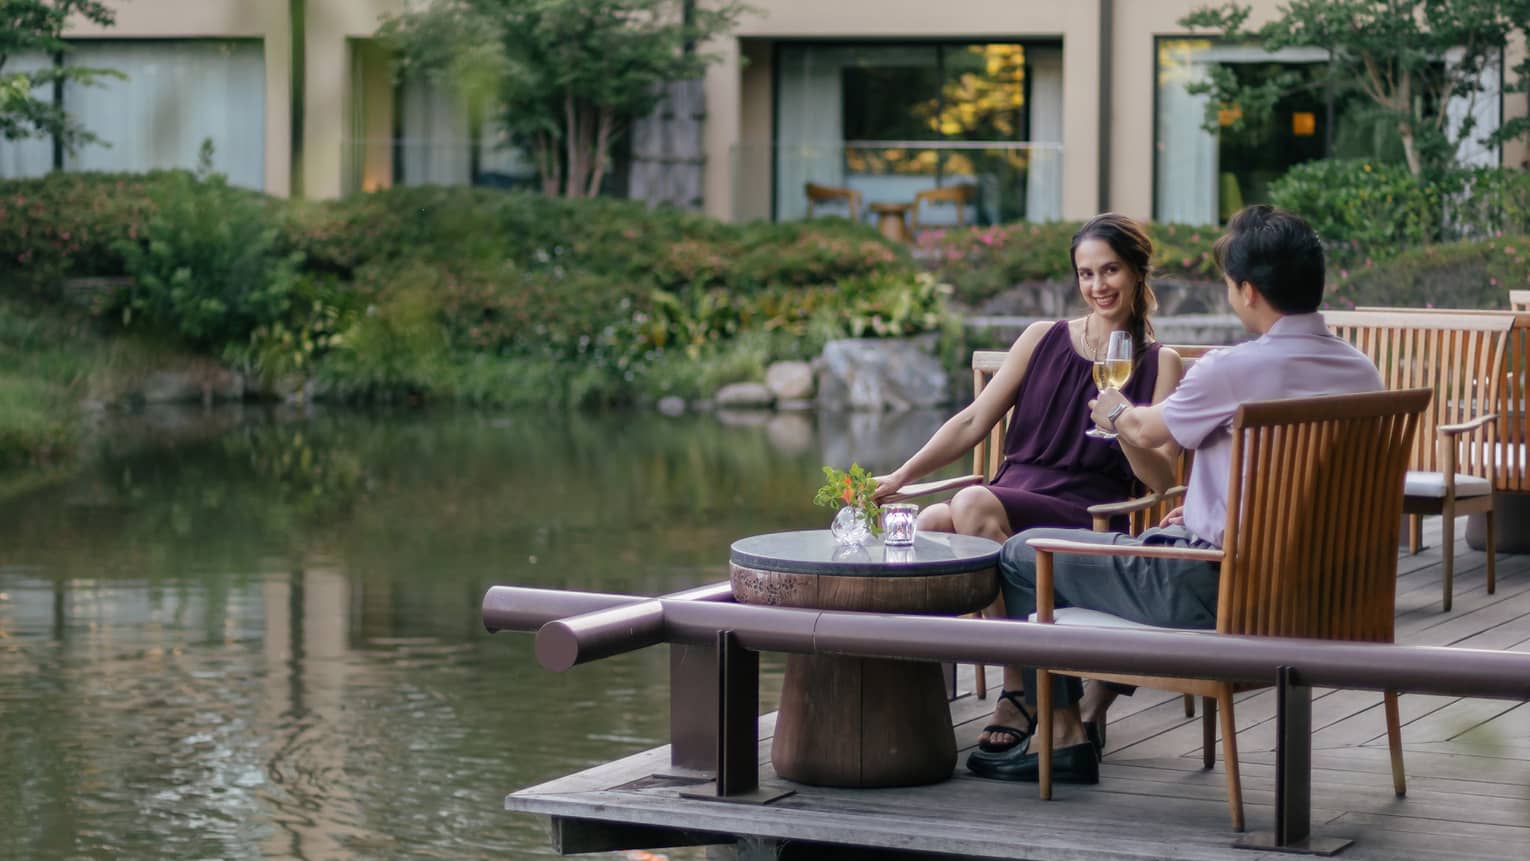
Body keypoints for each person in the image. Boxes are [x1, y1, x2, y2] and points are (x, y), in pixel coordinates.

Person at [965, 204, 1384, 785]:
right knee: (1143, 539)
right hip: (1328, 593)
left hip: (1223, 592)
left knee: (1023, 555)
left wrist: (1114, 411)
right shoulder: (1363, 372)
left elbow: (1142, 431)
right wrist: (1207, 504)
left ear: (1248, 291)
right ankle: (1090, 709)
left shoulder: (1229, 369)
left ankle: (1061, 733)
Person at [871, 213, 1184, 753]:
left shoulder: (1161, 363)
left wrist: (1121, 422)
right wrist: (902, 474)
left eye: (1110, 270)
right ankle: (911, 692)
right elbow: (973, 422)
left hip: (1087, 514)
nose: (1098, 286)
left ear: (1136, 272)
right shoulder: (1042, 338)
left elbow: (1160, 479)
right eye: (1086, 274)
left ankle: (1019, 689)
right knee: (930, 521)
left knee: (968, 503)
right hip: (1011, 497)